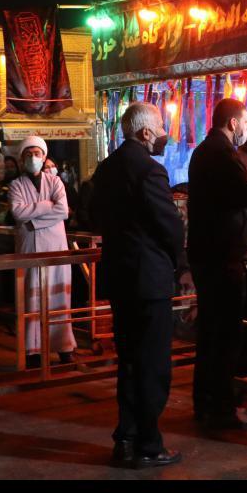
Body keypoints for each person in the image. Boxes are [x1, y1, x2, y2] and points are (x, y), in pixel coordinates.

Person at [90, 102, 185, 468]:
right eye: (160, 127)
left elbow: (95, 215)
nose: (164, 134)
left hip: (120, 276)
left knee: (129, 361)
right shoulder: (149, 170)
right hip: (149, 280)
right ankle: (148, 442)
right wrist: (179, 261)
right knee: (152, 364)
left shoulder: (107, 168)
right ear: (145, 132)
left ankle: (126, 439)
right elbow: (169, 225)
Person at [186, 98, 247, 429]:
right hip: (221, 257)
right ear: (233, 123)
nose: (246, 129)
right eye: (245, 122)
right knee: (225, 334)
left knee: (211, 334)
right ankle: (221, 406)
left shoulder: (205, 152)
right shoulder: (221, 155)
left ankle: (207, 402)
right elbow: (238, 198)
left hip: (208, 254)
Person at [10, 135, 76, 368]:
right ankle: (33, 351)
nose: (33, 158)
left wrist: (34, 220)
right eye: (28, 154)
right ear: (21, 159)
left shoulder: (55, 182)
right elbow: (17, 213)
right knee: (32, 299)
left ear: (44, 156)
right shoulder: (16, 185)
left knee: (59, 298)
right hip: (30, 247)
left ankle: (64, 347)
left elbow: (63, 211)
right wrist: (48, 206)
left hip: (56, 247)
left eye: (36, 154)